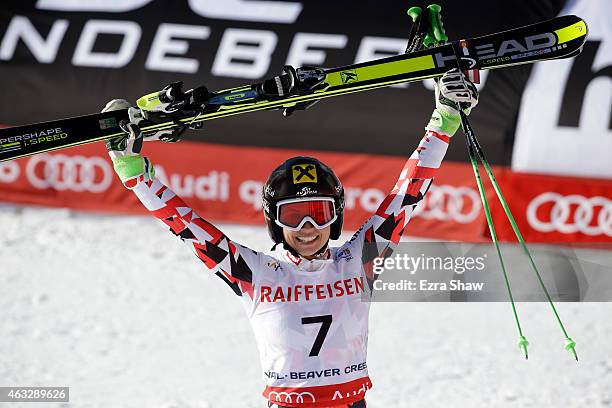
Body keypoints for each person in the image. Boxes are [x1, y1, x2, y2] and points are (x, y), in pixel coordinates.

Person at [102, 68, 478, 408]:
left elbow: (406, 196)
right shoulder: (254, 272)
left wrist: (443, 121)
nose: (307, 229)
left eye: (318, 214)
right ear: (274, 222)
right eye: (293, 217)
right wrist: (136, 175)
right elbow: (187, 226)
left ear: (335, 217)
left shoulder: (360, 259)